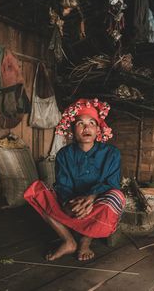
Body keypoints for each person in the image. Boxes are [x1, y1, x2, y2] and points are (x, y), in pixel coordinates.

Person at [24, 98, 126, 261]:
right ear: (72, 129)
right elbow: (63, 186)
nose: (86, 127)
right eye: (80, 123)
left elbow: (111, 183)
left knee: (116, 196)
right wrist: (67, 203)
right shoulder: (64, 154)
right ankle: (68, 241)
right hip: (72, 205)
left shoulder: (112, 153)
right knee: (36, 190)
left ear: (98, 129)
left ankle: (85, 242)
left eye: (92, 123)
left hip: (97, 204)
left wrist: (91, 198)